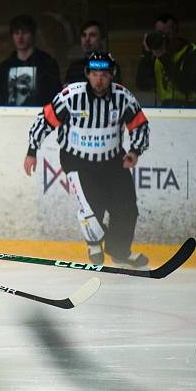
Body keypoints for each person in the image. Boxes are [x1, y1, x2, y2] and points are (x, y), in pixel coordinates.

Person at [24, 52, 150, 268]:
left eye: (103, 74)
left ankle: (119, 252)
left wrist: (135, 151)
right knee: (93, 207)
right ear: (87, 75)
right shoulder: (71, 96)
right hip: (77, 161)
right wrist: (32, 151)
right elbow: (44, 120)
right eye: (94, 74)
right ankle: (94, 243)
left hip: (113, 160)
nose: (98, 79)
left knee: (127, 208)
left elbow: (139, 124)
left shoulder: (123, 97)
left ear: (112, 75)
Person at [135, 13, 196, 107]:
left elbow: (185, 86)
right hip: (167, 108)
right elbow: (142, 85)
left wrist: (163, 56)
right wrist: (146, 54)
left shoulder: (195, 53)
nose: (164, 39)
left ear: (177, 33)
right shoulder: (157, 56)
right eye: (160, 34)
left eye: (167, 34)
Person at [0, 14, 61, 107]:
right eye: (16, 33)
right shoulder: (5, 67)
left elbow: (55, 97)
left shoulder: (46, 63)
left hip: (40, 118)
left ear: (32, 35)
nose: (20, 38)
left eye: (24, 33)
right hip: (9, 118)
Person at [64, 20, 121, 85]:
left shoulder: (110, 66)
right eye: (84, 35)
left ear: (101, 39)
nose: (87, 39)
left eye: (92, 35)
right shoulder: (74, 68)